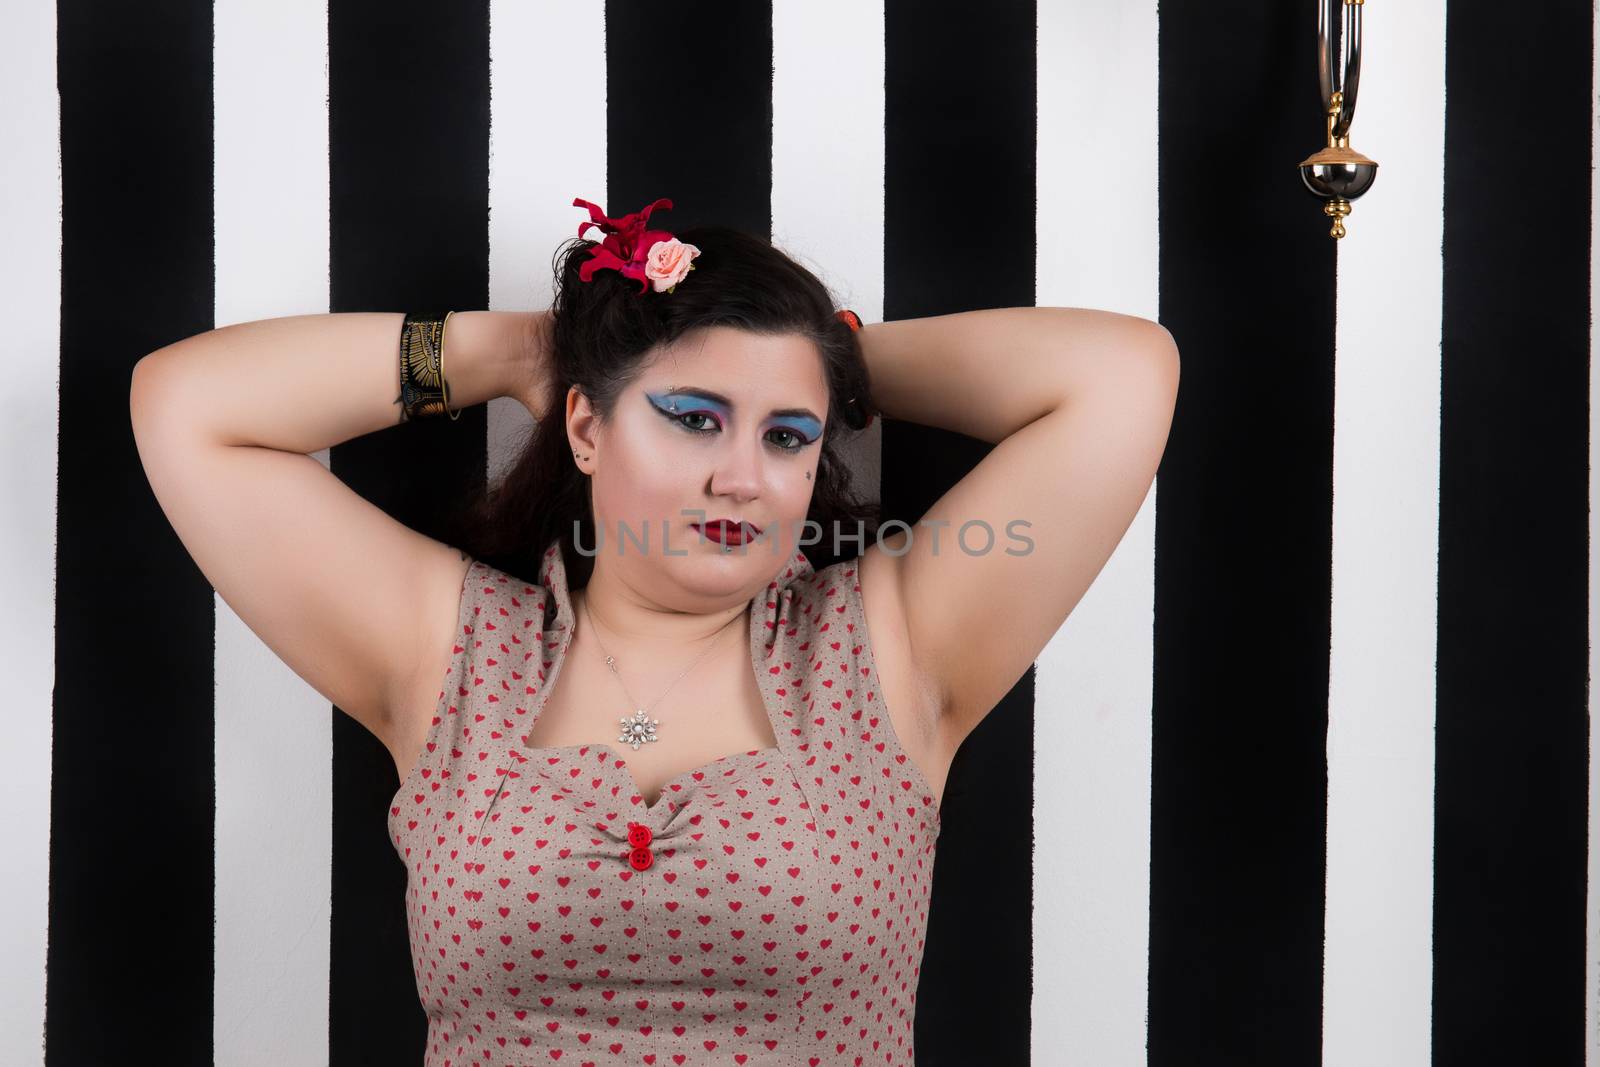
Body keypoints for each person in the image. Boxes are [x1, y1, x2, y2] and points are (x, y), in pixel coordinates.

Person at [129, 195, 1180, 1065]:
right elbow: (186, 406)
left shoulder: (890, 645)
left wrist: (821, 356)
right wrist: (519, 351)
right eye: (692, 416)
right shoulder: (451, 650)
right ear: (584, 425)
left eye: (787, 435)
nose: (742, 475)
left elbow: (1121, 376)